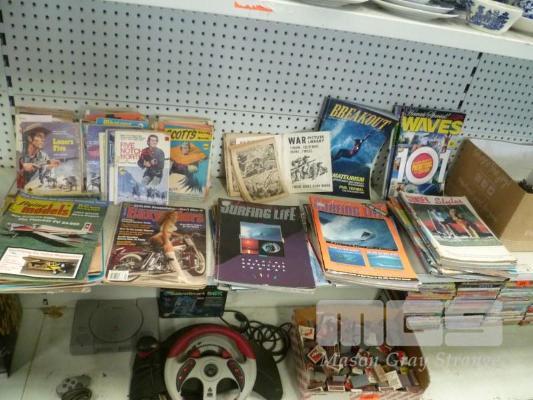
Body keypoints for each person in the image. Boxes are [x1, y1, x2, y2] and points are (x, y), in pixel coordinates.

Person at [150, 211, 192, 283]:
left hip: (159, 238)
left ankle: (177, 271)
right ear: (170, 216)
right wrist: (167, 242)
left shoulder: (169, 222)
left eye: (176, 215)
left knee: (172, 250)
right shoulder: (168, 221)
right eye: (174, 215)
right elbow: (164, 231)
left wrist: (181, 235)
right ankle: (182, 276)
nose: (176, 216)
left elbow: (170, 232)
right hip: (161, 238)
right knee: (171, 256)